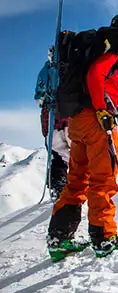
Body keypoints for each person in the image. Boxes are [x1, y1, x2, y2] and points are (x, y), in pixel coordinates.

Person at [46, 13, 118, 261]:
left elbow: (92, 82)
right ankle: (104, 237)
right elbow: (95, 77)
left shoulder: (92, 45)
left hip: (78, 120)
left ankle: (60, 238)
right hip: (96, 121)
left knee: (77, 179)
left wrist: (113, 109)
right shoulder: (113, 46)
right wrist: (102, 109)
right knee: (104, 179)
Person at [34, 46, 71, 200]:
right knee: (78, 151)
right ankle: (80, 185)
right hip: (71, 115)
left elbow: (39, 94)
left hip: (51, 116)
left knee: (57, 154)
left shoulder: (46, 69)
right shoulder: (73, 67)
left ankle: (58, 186)